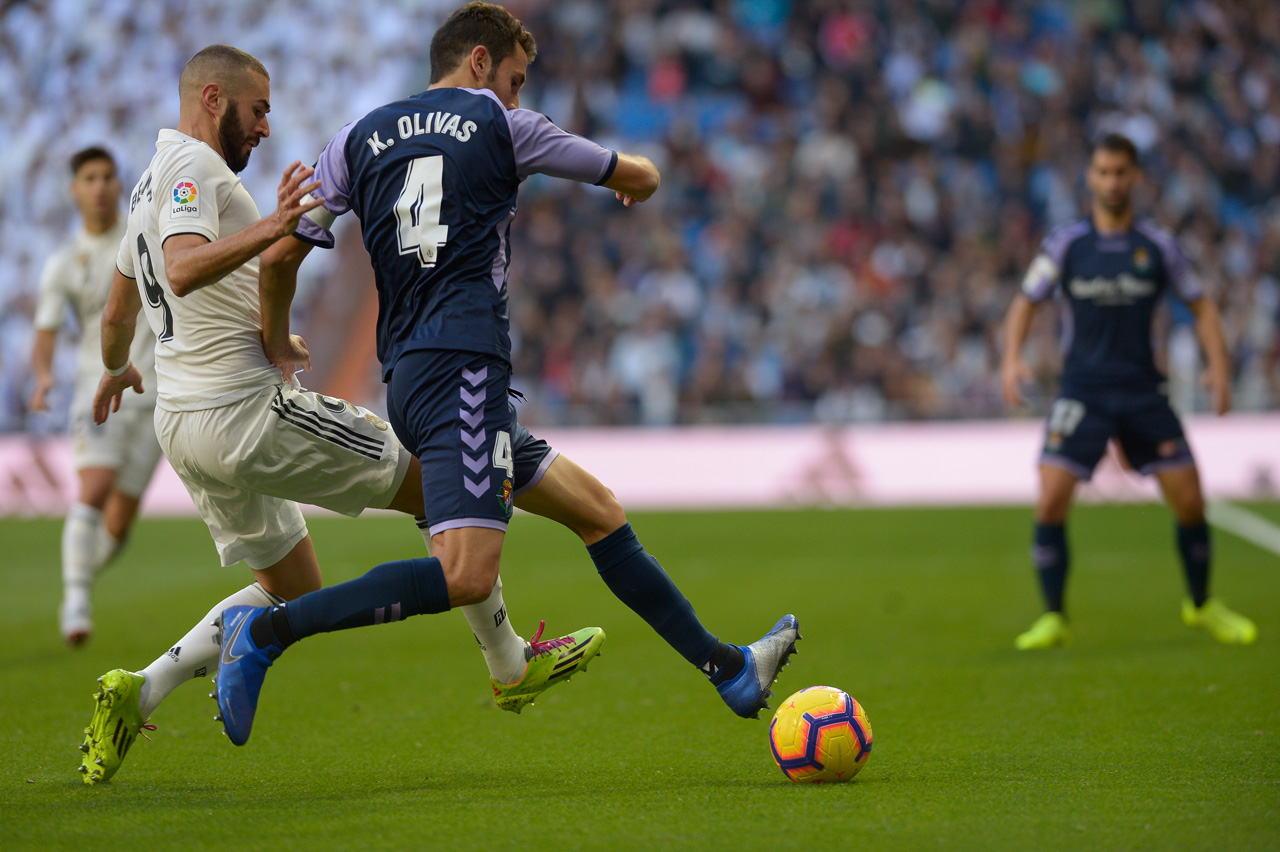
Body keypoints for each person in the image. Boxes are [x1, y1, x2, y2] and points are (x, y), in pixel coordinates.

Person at [212, 1, 800, 747]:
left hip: (414, 378)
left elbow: (280, 256)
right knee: (464, 574)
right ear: (481, 62)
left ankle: (729, 669)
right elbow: (640, 174)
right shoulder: (504, 125)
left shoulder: (355, 140)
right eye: (515, 79)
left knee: (598, 510)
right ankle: (265, 631)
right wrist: (635, 179)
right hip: (464, 372)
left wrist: (276, 340)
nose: (517, 96)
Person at [80, 43, 598, 784]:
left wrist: (115, 368)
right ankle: (510, 664)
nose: (265, 129)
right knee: (440, 486)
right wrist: (277, 225)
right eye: (258, 110)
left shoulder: (145, 186)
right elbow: (187, 269)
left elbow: (117, 310)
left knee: (296, 587)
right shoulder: (197, 168)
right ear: (214, 99)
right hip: (244, 413)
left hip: (184, 427)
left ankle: (142, 687)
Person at [1000, 132, 1257, 649]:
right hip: (1083, 390)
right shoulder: (1067, 244)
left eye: (1121, 172)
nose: (1112, 181)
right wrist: (1011, 360)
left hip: (1143, 391)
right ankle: (1054, 616)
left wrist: (1220, 367)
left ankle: (1201, 606)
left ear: (1135, 177)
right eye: (1103, 172)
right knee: (1050, 502)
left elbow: (1202, 304)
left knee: (1190, 502)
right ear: (1091, 177)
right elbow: (1027, 301)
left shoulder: (1157, 247)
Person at [30, 147, 163, 646]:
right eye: (90, 178)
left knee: (121, 522)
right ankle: (77, 598)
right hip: (98, 386)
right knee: (94, 487)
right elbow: (44, 334)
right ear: (74, 189)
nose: (101, 186)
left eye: (108, 176)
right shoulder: (64, 263)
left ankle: (80, 582)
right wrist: (43, 376)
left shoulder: (142, 237)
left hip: (154, 393)